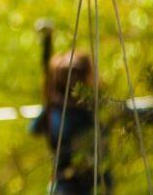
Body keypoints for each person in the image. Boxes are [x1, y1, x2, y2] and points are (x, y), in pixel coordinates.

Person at [31, 23, 112, 194]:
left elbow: (35, 128)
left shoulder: (56, 110)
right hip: (68, 185)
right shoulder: (56, 111)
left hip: (93, 185)